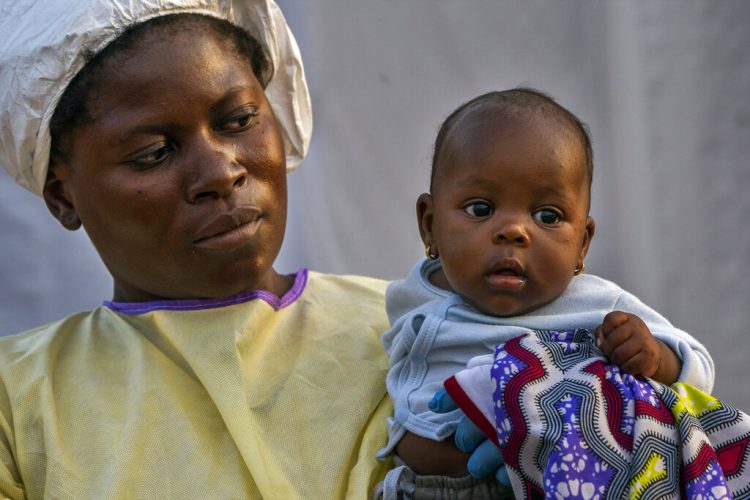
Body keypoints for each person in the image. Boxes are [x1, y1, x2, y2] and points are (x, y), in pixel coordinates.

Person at [0, 1, 402, 497]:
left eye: (238, 120)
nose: (220, 172)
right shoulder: (17, 403)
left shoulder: (418, 334)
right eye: (154, 153)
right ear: (63, 196)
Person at [375, 88, 716, 498]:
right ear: (429, 224)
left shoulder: (599, 305)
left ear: (582, 244)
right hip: (417, 488)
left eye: (547, 216)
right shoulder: (414, 291)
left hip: (541, 486)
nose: (514, 231)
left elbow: (699, 368)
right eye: (480, 209)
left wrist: (656, 356)